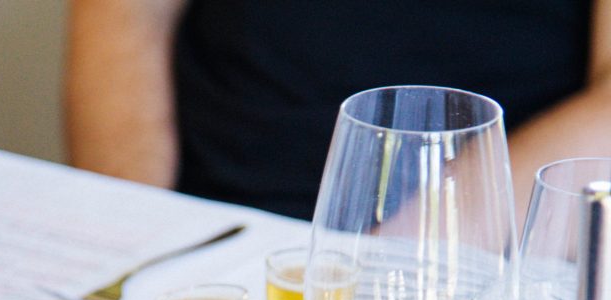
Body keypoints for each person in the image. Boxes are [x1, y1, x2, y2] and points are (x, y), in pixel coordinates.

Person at [64, 0, 611, 224]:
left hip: (485, 255)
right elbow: (127, 14)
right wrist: (133, 231)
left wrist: (392, 278)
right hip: (211, 226)